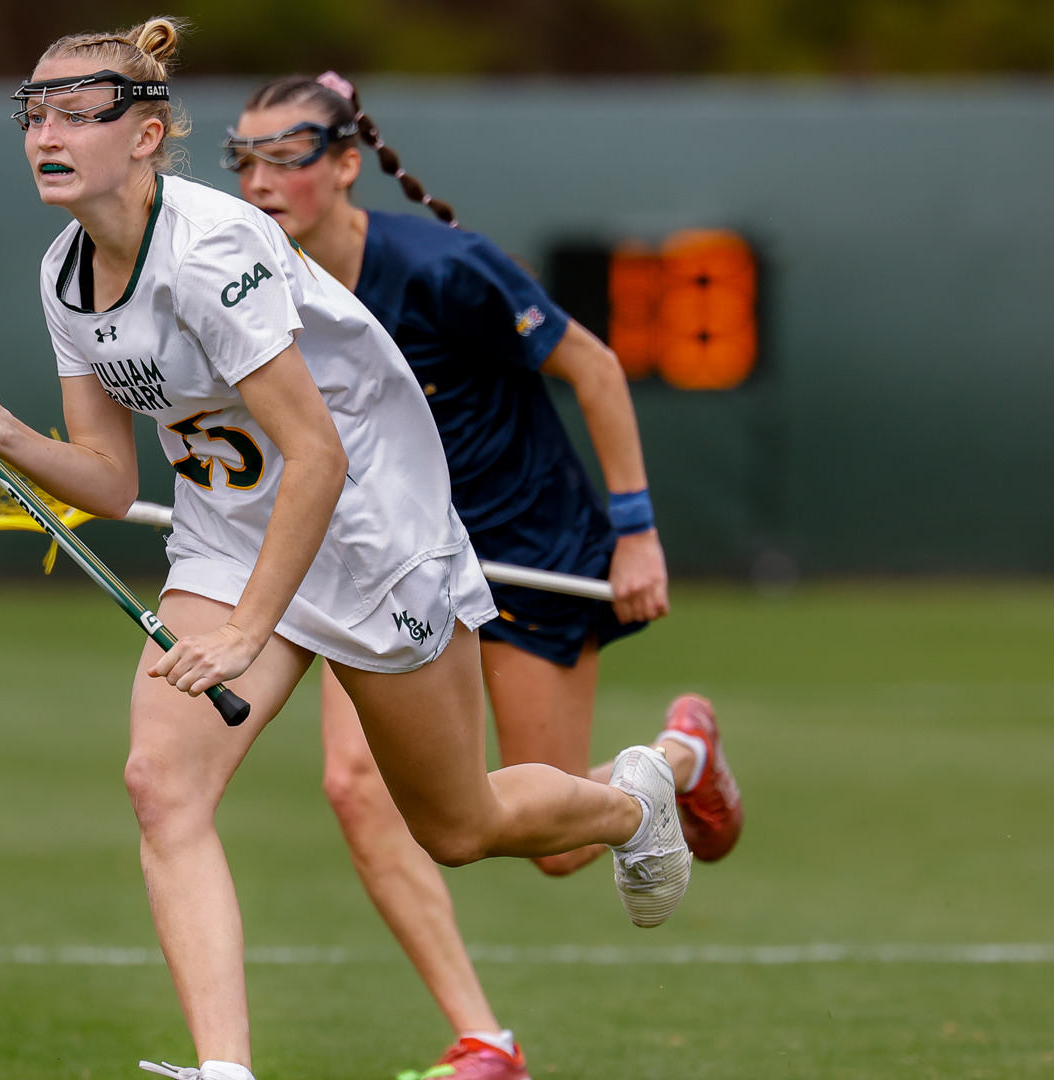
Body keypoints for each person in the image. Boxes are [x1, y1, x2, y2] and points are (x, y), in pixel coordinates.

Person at [0, 18, 692, 1080]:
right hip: (230, 538)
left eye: (77, 113)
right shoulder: (64, 276)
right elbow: (110, 480)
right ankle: (226, 1072)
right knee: (161, 787)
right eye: (33, 113)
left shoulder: (212, 250)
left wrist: (246, 634)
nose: (47, 134)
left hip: (371, 537)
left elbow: (318, 455)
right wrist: (4, 432)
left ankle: (635, 803)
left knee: (459, 827)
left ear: (145, 135)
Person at [221, 73, 747, 1079]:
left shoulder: (444, 269)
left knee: (556, 849)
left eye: (286, 156)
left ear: (345, 165)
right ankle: (484, 1039)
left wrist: (635, 532)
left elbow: (595, 367)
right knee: (356, 788)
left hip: (525, 551)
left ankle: (681, 758)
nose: (260, 180)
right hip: (390, 564)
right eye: (244, 159)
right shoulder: (260, 286)